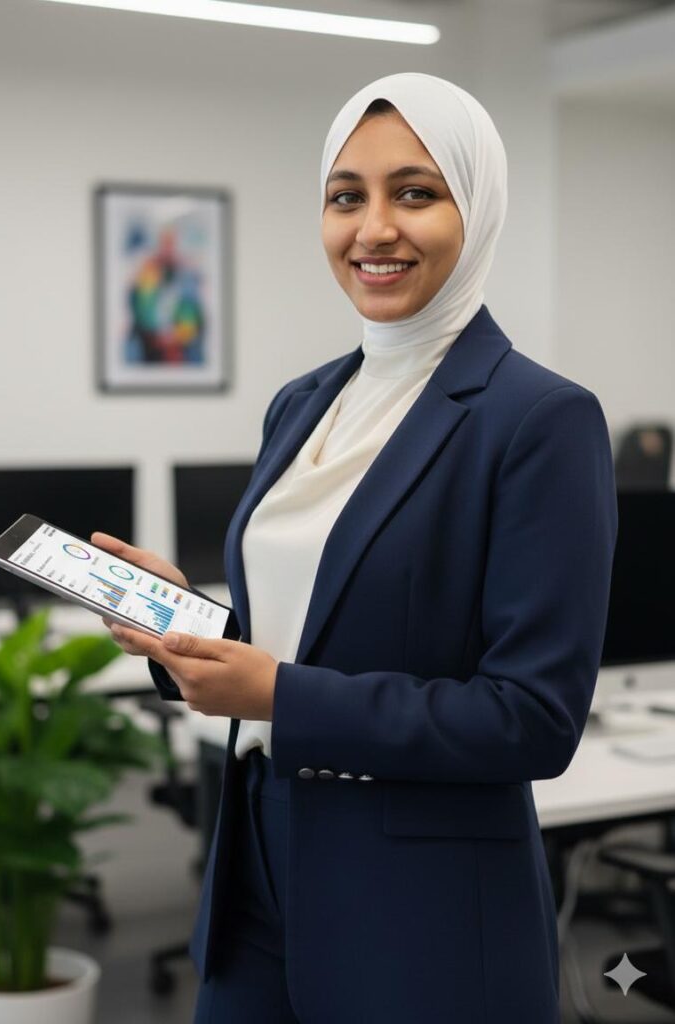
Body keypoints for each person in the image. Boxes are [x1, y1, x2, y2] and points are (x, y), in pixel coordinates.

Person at [93, 72, 618, 1024]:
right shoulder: (303, 402)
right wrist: (190, 629)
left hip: (419, 903)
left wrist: (277, 695)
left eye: (415, 192)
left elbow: (533, 719)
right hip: (256, 854)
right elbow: (314, 628)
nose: (374, 228)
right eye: (347, 197)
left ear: (479, 206)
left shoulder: (539, 420)